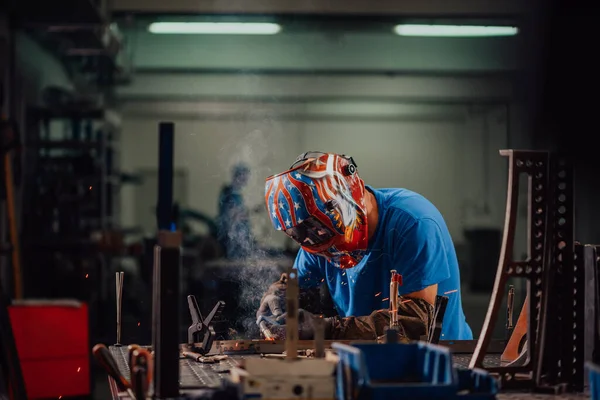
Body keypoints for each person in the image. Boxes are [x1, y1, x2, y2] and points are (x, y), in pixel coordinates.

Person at [256, 151, 472, 341]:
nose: (327, 252)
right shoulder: (317, 240)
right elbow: (299, 287)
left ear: (348, 199)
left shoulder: (413, 223)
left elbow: (415, 322)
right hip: (363, 355)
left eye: (330, 238)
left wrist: (326, 328)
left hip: (440, 358)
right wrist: (278, 298)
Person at [216, 163, 253, 259]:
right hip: (232, 239)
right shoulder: (229, 194)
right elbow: (232, 215)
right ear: (238, 176)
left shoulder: (237, 195)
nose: (246, 180)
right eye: (244, 177)